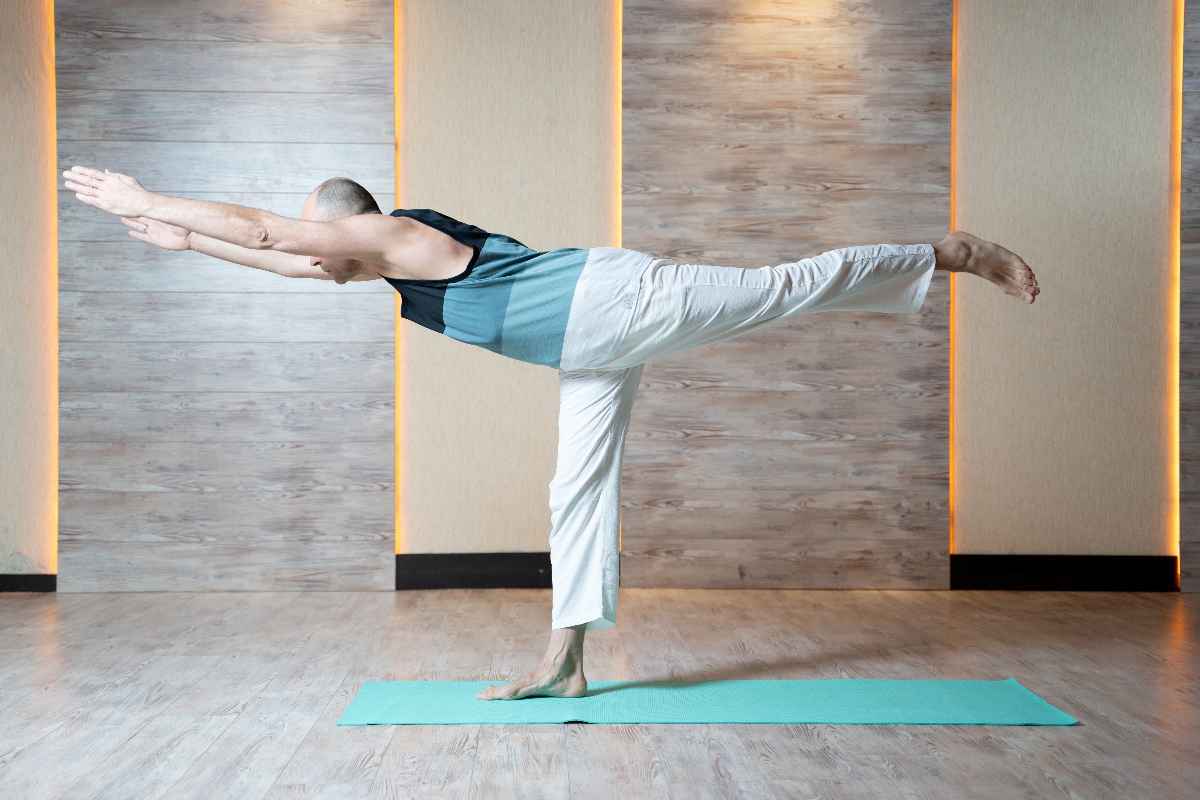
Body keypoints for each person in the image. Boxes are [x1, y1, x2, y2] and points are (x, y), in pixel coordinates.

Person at [63, 165, 1040, 701]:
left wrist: (147, 198)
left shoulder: (398, 231)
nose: (325, 264)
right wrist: (188, 243)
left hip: (616, 297)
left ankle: (949, 251)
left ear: (352, 228)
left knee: (778, 290)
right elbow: (290, 264)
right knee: (574, 489)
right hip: (585, 344)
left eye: (332, 247)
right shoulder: (382, 268)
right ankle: (566, 659)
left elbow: (279, 235)